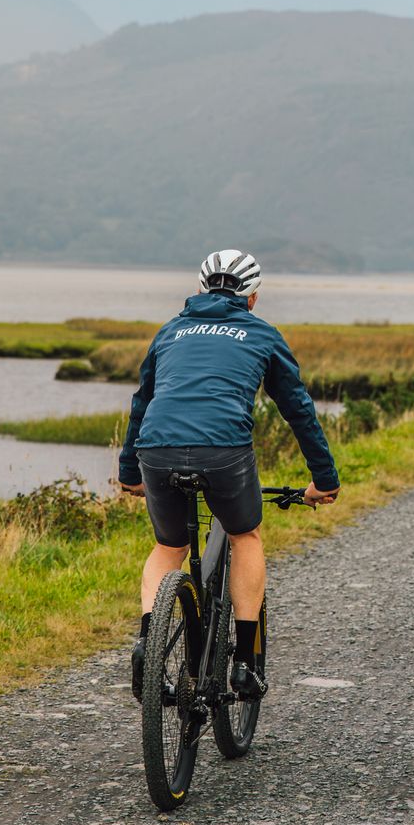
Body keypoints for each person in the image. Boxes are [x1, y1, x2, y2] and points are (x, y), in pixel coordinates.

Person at [120, 249, 341, 701]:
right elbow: (297, 409)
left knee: (169, 546)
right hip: (223, 453)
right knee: (246, 537)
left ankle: (146, 644)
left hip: (156, 451)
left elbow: (142, 402)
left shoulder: (171, 331)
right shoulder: (262, 334)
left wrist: (129, 472)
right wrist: (324, 478)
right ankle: (243, 663)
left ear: (200, 288)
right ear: (252, 297)